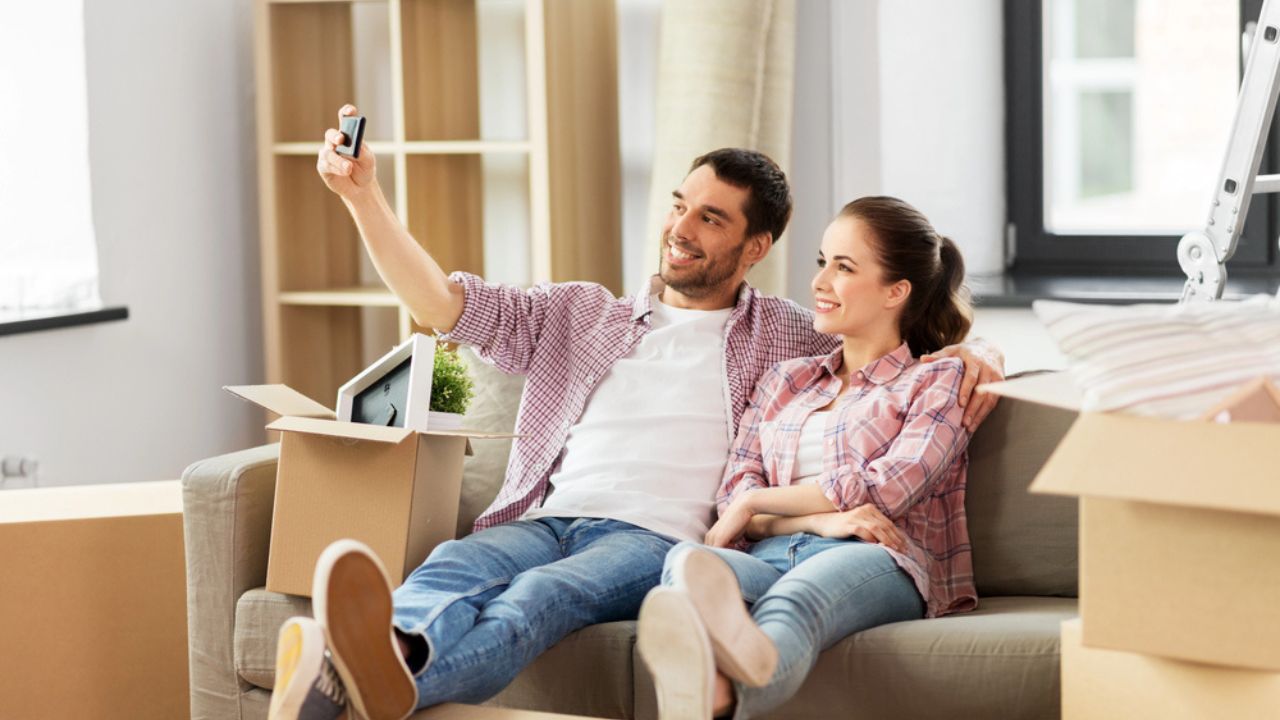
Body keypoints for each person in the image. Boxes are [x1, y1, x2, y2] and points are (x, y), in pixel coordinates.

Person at [267, 105, 1005, 720]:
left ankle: (343, 691)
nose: (680, 227)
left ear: (755, 247)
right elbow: (441, 305)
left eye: (709, 218)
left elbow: (891, 335)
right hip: (546, 515)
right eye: (679, 205)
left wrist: (978, 355)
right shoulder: (580, 316)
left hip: (652, 539)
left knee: (542, 597)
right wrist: (363, 197)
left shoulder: (785, 335)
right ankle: (378, 663)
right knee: (454, 564)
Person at [635, 196, 979, 720]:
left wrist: (755, 503)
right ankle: (717, 696)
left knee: (793, 602)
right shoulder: (785, 380)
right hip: (775, 549)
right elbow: (734, 490)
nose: (819, 282)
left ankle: (722, 693)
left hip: (879, 558)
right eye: (823, 262)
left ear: (896, 291)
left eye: (843, 267)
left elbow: (889, 486)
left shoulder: (936, 379)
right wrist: (819, 517)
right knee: (686, 563)